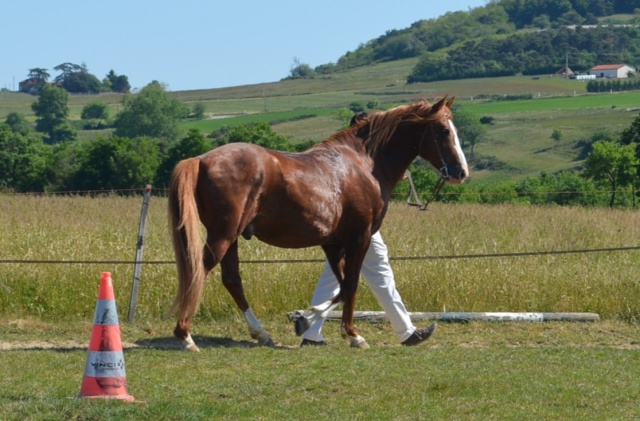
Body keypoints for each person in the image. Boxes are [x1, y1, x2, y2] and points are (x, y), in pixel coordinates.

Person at [300, 230, 437, 347]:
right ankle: (407, 333)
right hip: (359, 223)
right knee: (380, 274)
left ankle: (311, 335)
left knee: (333, 277)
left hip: (345, 223)